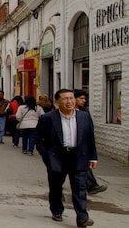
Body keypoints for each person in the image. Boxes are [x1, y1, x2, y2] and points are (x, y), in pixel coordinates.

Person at [36, 89, 98, 227]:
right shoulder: (48, 118)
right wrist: (46, 155)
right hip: (57, 157)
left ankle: (82, 217)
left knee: (80, 187)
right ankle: (57, 210)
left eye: (71, 98)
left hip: (78, 156)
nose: (69, 101)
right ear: (57, 102)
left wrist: (93, 157)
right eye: (65, 99)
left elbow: (90, 138)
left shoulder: (84, 117)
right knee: (56, 186)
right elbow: (38, 139)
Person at [74, 89, 107, 195]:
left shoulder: (84, 112)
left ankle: (90, 186)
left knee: (83, 166)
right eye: (81, 98)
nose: (84, 100)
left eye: (85, 98)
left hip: (81, 145)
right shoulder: (65, 111)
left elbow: (89, 128)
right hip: (68, 145)